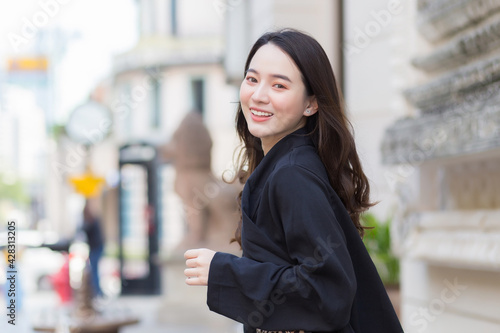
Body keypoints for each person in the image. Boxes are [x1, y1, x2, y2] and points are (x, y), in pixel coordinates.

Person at [184, 29, 403, 333]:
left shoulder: (292, 174)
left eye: (279, 85)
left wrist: (224, 271)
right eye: (252, 79)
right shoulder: (285, 164)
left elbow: (328, 290)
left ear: (311, 104)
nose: (259, 95)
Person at [82, 200, 104, 296]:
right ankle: (96, 290)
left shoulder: (91, 222)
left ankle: (96, 291)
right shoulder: (94, 220)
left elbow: (85, 230)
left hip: (96, 248)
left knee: (94, 269)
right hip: (96, 247)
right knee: (94, 269)